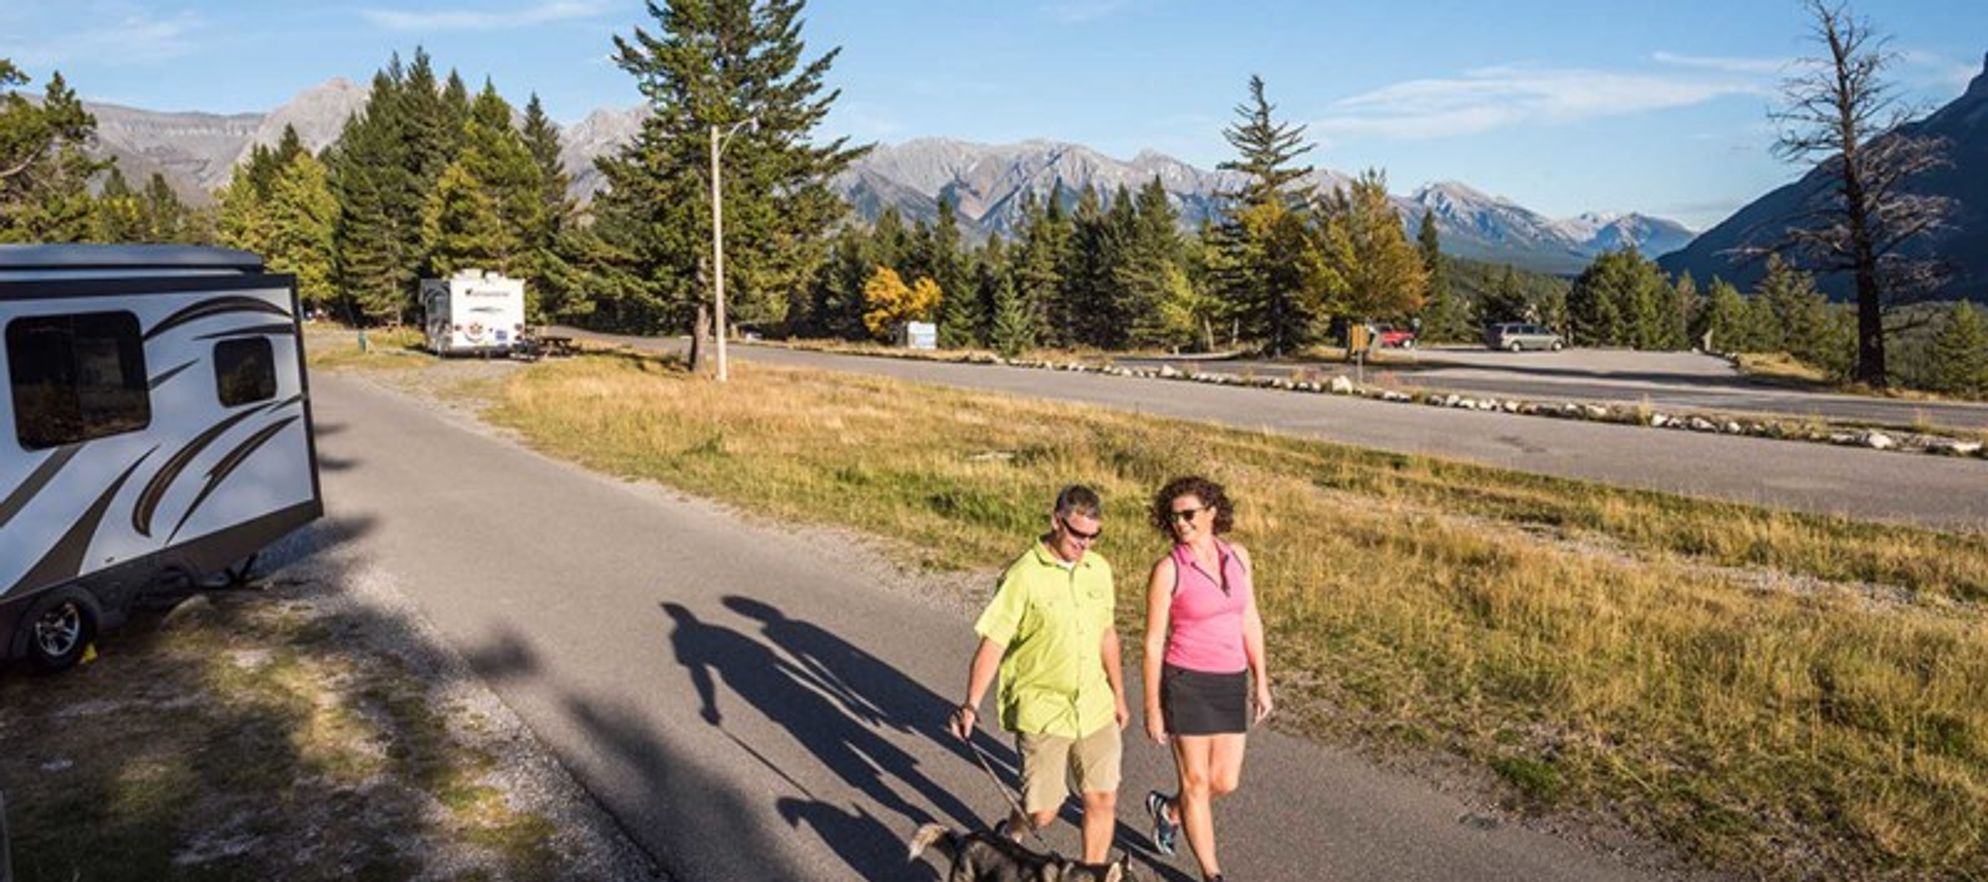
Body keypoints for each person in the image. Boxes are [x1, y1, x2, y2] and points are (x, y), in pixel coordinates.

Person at [948, 485, 1129, 865]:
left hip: (1094, 703)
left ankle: (1090, 875)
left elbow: (1107, 634)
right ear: (1055, 521)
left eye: (1094, 536)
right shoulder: (1024, 575)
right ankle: (1011, 831)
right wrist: (970, 704)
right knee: (1043, 812)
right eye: (1078, 534)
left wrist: (1119, 695)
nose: (1085, 545)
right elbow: (994, 642)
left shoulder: (1098, 570)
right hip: (1043, 707)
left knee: (1101, 798)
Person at [1141, 476, 1270, 882]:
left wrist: (1261, 680)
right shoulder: (1168, 569)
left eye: (1189, 514)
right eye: (1174, 516)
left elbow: (1250, 619)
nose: (1181, 522)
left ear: (1212, 512)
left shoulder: (1238, 557)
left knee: (1224, 781)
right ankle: (1211, 874)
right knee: (1196, 782)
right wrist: (1152, 708)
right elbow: (1151, 643)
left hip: (1230, 680)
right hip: (1186, 681)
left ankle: (1170, 812)